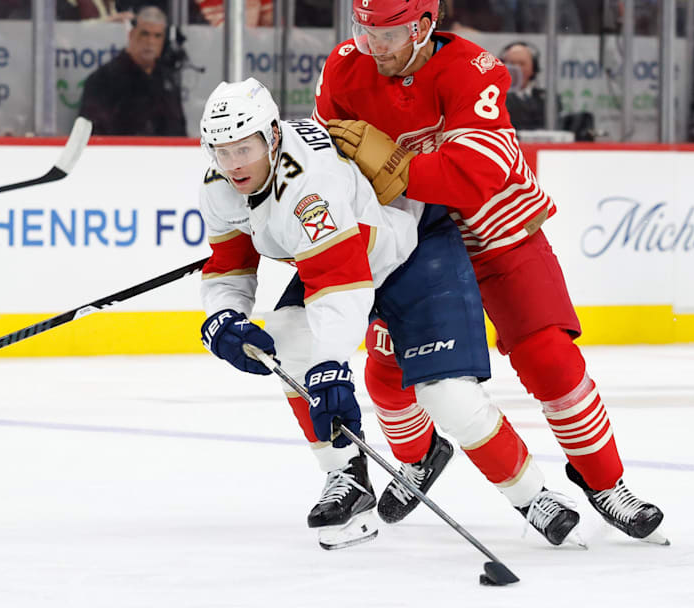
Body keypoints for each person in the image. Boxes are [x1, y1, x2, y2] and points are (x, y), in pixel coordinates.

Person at [316, 0, 666, 543]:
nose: (375, 47)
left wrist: (394, 168)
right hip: (411, 242)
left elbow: (474, 175)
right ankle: (421, 456)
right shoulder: (343, 68)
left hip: (496, 229)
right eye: (365, 32)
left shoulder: (474, 70)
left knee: (547, 355)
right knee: (388, 375)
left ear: (424, 26)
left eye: (389, 34)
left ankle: (605, 482)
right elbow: (327, 164)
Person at [198, 78, 582, 550]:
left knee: (447, 396)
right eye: (222, 150)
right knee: (287, 341)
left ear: (272, 136)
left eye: (245, 147)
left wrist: (330, 369)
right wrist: (224, 316)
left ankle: (532, 497)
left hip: (413, 252)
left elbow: (341, 285)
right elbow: (230, 266)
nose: (234, 162)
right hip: (350, 260)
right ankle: (348, 478)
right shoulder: (219, 185)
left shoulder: (308, 184)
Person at [78, 5, 185, 136]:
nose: (150, 41)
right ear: (131, 35)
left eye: (157, 36)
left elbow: (179, 131)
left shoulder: (167, 81)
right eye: (144, 34)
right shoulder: (103, 80)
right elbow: (94, 134)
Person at [500, 41, 548, 131]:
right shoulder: (495, 98)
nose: (517, 69)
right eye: (512, 63)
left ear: (533, 68)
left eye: (522, 64)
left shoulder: (548, 100)